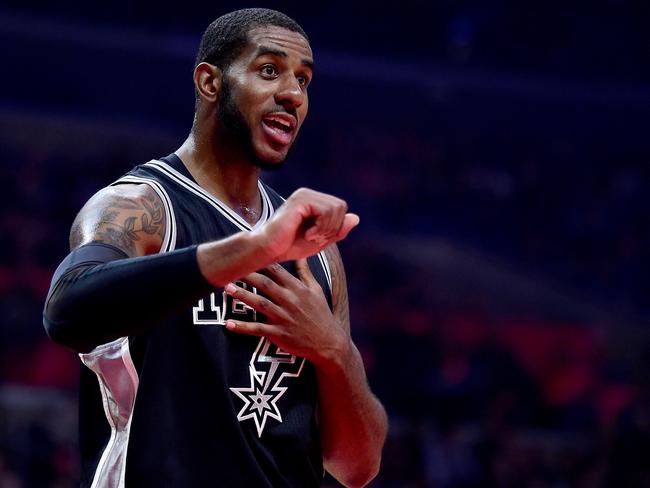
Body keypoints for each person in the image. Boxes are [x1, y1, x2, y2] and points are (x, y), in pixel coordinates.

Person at [42, 7, 388, 488]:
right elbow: (66, 311)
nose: (293, 94)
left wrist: (336, 352)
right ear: (210, 82)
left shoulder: (318, 253)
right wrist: (256, 248)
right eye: (270, 71)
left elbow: (357, 467)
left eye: (304, 81)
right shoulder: (142, 207)